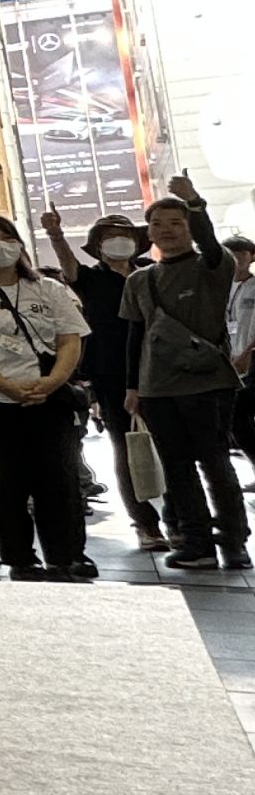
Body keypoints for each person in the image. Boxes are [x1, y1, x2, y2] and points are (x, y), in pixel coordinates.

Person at [0, 216, 91, 581]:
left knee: (59, 480)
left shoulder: (48, 288)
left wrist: (53, 381)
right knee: (10, 482)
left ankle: (65, 556)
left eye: (5, 238)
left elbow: (70, 338)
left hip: (49, 397)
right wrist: (5, 386)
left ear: (19, 242)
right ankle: (21, 559)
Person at [124, 175, 249, 572]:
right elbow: (136, 335)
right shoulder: (139, 279)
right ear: (148, 232)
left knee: (215, 462)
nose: (166, 230)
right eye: (157, 223)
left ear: (190, 227)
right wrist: (132, 387)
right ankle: (197, 543)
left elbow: (210, 243)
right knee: (177, 469)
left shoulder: (212, 266)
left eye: (176, 222)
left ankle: (234, 541)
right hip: (157, 388)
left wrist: (194, 202)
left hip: (208, 384)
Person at [41, 210, 165, 551]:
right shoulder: (90, 278)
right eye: (109, 236)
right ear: (97, 245)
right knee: (127, 448)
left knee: (171, 447)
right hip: (111, 373)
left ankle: (181, 519)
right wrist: (56, 235)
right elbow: (69, 267)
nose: (119, 241)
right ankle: (146, 524)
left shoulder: (151, 273)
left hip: (161, 368)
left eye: (125, 235)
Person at [225, 233, 255, 479]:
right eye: (232, 254)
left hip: (251, 360)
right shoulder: (220, 288)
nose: (237, 259)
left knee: (239, 416)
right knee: (236, 421)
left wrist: (248, 352)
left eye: (242, 253)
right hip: (229, 361)